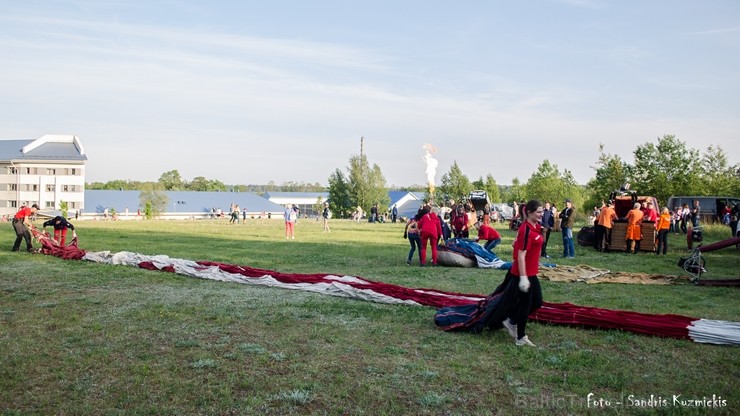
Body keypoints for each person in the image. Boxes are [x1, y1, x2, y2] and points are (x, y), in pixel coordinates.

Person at [500, 200, 544, 347]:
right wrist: (523, 278)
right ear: (529, 213)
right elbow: (520, 255)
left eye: (542, 211)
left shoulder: (535, 226)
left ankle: (512, 320)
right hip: (523, 272)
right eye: (538, 212)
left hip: (531, 271)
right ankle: (520, 338)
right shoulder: (526, 229)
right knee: (526, 304)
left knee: (537, 302)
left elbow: (516, 243)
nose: (541, 214)